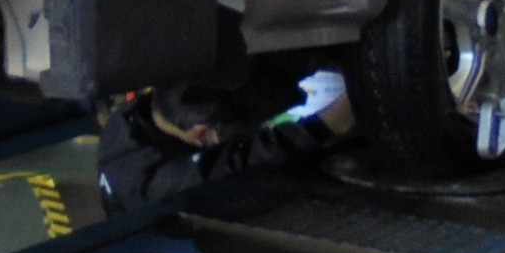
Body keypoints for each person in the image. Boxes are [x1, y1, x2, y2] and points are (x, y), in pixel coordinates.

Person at [97, 66, 354, 213]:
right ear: (201, 134)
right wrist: (333, 121)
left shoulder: (138, 115)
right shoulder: (169, 183)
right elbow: (248, 161)